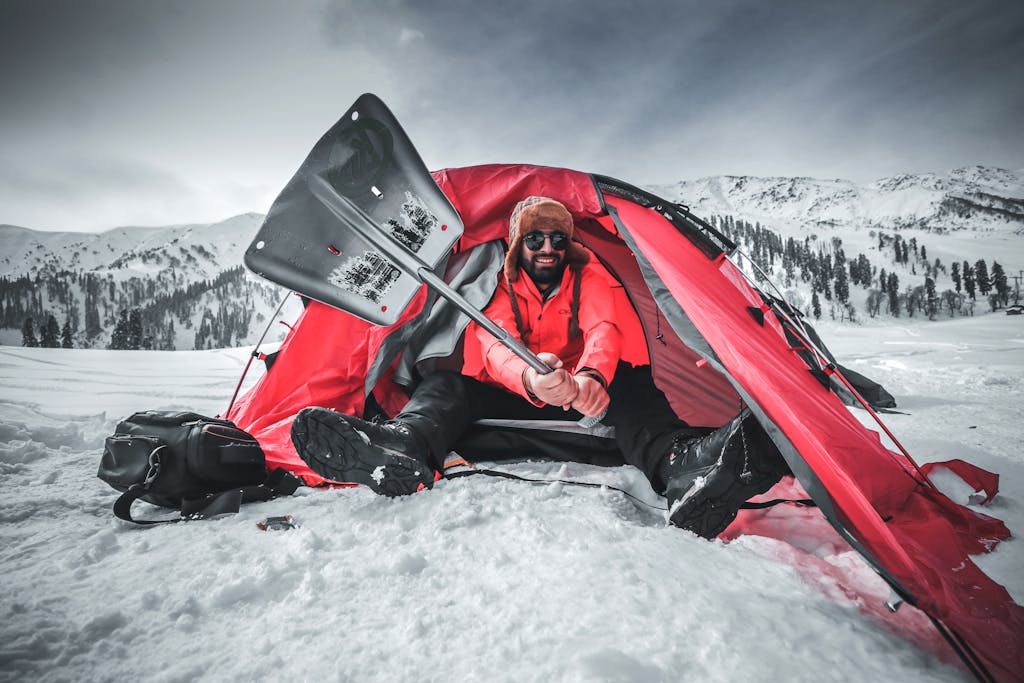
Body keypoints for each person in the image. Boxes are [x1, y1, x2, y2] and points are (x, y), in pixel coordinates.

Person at [292, 196, 788, 538]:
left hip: (588, 398)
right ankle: (402, 446)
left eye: (555, 238)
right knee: (446, 384)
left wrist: (593, 376)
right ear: (517, 246)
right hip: (523, 390)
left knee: (634, 383)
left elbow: (604, 329)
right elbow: (492, 343)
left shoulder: (588, 272)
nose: (547, 247)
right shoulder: (500, 284)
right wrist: (530, 377)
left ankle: (683, 468)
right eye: (535, 240)